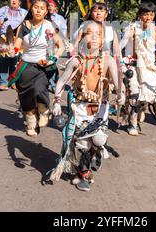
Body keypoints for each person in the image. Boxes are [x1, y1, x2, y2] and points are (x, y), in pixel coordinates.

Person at [49, 20, 124, 192]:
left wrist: (122, 95)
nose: (95, 37)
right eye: (90, 33)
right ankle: (84, 172)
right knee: (82, 143)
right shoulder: (76, 61)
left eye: (99, 34)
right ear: (83, 37)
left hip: (100, 108)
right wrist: (57, 101)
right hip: (80, 107)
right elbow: (61, 81)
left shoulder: (108, 60)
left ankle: (87, 165)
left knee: (98, 140)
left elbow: (119, 82)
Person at [8, 0, 64, 137]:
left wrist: (53, 59)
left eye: (42, 8)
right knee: (26, 94)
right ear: (31, 9)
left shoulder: (49, 26)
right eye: (36, 7)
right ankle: (31, 122)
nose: (38, 10)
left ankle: (44, 110)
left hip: (43, 66)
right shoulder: (24, 25)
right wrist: (12, 51)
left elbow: (60, 46)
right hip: (26, 65)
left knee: (39, 90)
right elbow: (17, 45)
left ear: (46, 12)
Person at [120, 2, 156, 136]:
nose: (148, 17)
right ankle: (132, 124)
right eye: (145, 14)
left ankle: (139, 111)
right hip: (133, 66)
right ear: (140, 15)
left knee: (145, 98)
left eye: (151, 14)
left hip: (149, 69)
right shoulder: (132, 28)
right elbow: (121, 45)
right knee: (134, 94)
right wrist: (115, 59)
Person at [0, 0, 27, 90]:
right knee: (4, 60)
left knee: (15, 61)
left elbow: (28, 24)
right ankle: (3, 83)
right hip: (4, 38)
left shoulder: (24, 13)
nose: (13, 1)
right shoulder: (2, 10)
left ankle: (13, 82)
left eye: (15, 0)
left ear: (19, 2)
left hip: (17, 38)